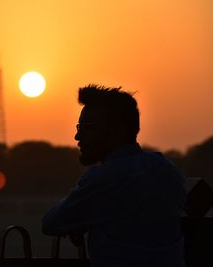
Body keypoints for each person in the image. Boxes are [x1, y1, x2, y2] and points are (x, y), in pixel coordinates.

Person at [42, 84, 185, 266]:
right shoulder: (164, 168)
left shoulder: (104, 178)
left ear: (118, 130)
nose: (78, 136)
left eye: (88, 127)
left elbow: (51, 223)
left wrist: (79, 222)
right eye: (79, 126)